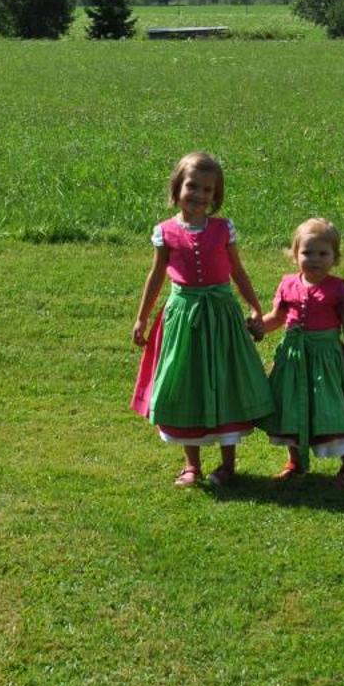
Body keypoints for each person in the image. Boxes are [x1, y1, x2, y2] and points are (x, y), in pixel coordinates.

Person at [129, 151, 273, 486]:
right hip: (183, 318)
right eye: (192, 186)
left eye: (208, 190)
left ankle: (227, 464)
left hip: (221, 315)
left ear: (216, 196)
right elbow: (155, 276)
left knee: (225, 381)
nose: (199, 195)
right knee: (187, 383)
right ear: (178, 187)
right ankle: (191, 464)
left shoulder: (223, 229)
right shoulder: (164, 232)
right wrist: (142, 319)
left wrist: (254, 308)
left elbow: (238, 271)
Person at [260, 217, 344, 487]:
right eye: (307, 252)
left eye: (323, 253)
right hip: (294, 359)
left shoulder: (337, 289)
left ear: (335, 257)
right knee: (292, 405)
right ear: (294, 254)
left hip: (328, 361)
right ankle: (295, 460)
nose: (315, 259)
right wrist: (255, 327)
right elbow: (277, 318)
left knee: (338, 407)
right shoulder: (287, 284)